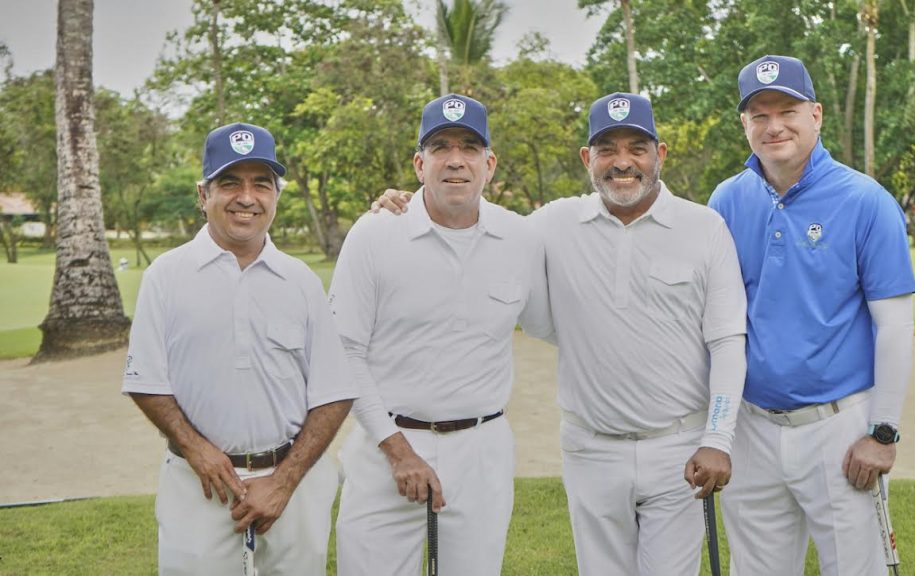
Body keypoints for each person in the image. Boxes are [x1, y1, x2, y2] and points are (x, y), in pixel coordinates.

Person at [373, 92, 749, 576]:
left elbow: (727, 342)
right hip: (590, 446)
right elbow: (473, 226)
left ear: (661, 154)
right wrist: (407, 203)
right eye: (607, 149)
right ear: (586, 158)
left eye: (637, 147)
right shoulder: (552, 222)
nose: (622, 162)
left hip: (680, 447)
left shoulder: (705, 227)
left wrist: (718, 438)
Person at [708, 55, 915, 576]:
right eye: (759, 114)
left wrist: (884, 432)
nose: (773, 125)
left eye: (787, 110)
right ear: (745, 125)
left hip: (840, 430)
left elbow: (894, 325)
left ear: (816, 114)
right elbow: (716, 319)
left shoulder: (866, 201)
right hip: (752, 427)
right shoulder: (726, 200)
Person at [328, 94, 553, 575]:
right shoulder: (374, 234)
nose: (456, 159)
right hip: (385, 447)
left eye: (470, 147)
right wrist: (396, 448)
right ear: (418, 163)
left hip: (482, 450)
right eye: (440, 147)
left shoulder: (522, 238)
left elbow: (553, 324)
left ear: (489, 164)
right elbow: (344, 350)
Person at [122, 122, 357, 576]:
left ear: (275, 195)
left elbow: (335, 391)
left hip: (294, 483)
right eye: (229, 182)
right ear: (202, 194)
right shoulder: (166, 277)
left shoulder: (301, 280)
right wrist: (197, 451)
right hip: (200, 483)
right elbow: (146, 380)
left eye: (260, 184)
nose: (246, 197)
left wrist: (285, 480)